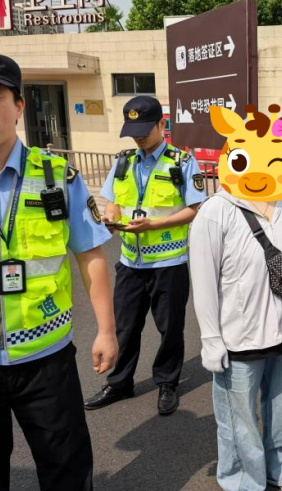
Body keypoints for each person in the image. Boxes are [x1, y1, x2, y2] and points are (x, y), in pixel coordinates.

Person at [0, 52, 118, 491]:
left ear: (19, 105)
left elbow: (90, 254)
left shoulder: (59, 177)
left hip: (46, 359)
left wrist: (107, 331)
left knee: (66, 469)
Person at [189, 104, 282, 491]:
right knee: (238, 417)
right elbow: (203, 280)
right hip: (240, 334)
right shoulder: (216, 211)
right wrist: (210, 338)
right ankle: (243, 481)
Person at [84, 96, 205, 416]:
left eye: (143, 130)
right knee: (125, 327)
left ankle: (167, 382)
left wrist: (155, 224)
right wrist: (111, 219)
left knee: (170, 328)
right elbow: (113, 201)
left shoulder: (182, 162)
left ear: (161, 125)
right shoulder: (123, 161)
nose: (137, 137)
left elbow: (195, 209)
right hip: (130, 262)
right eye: (132, 131)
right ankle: (120, 383)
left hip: (169, 263)